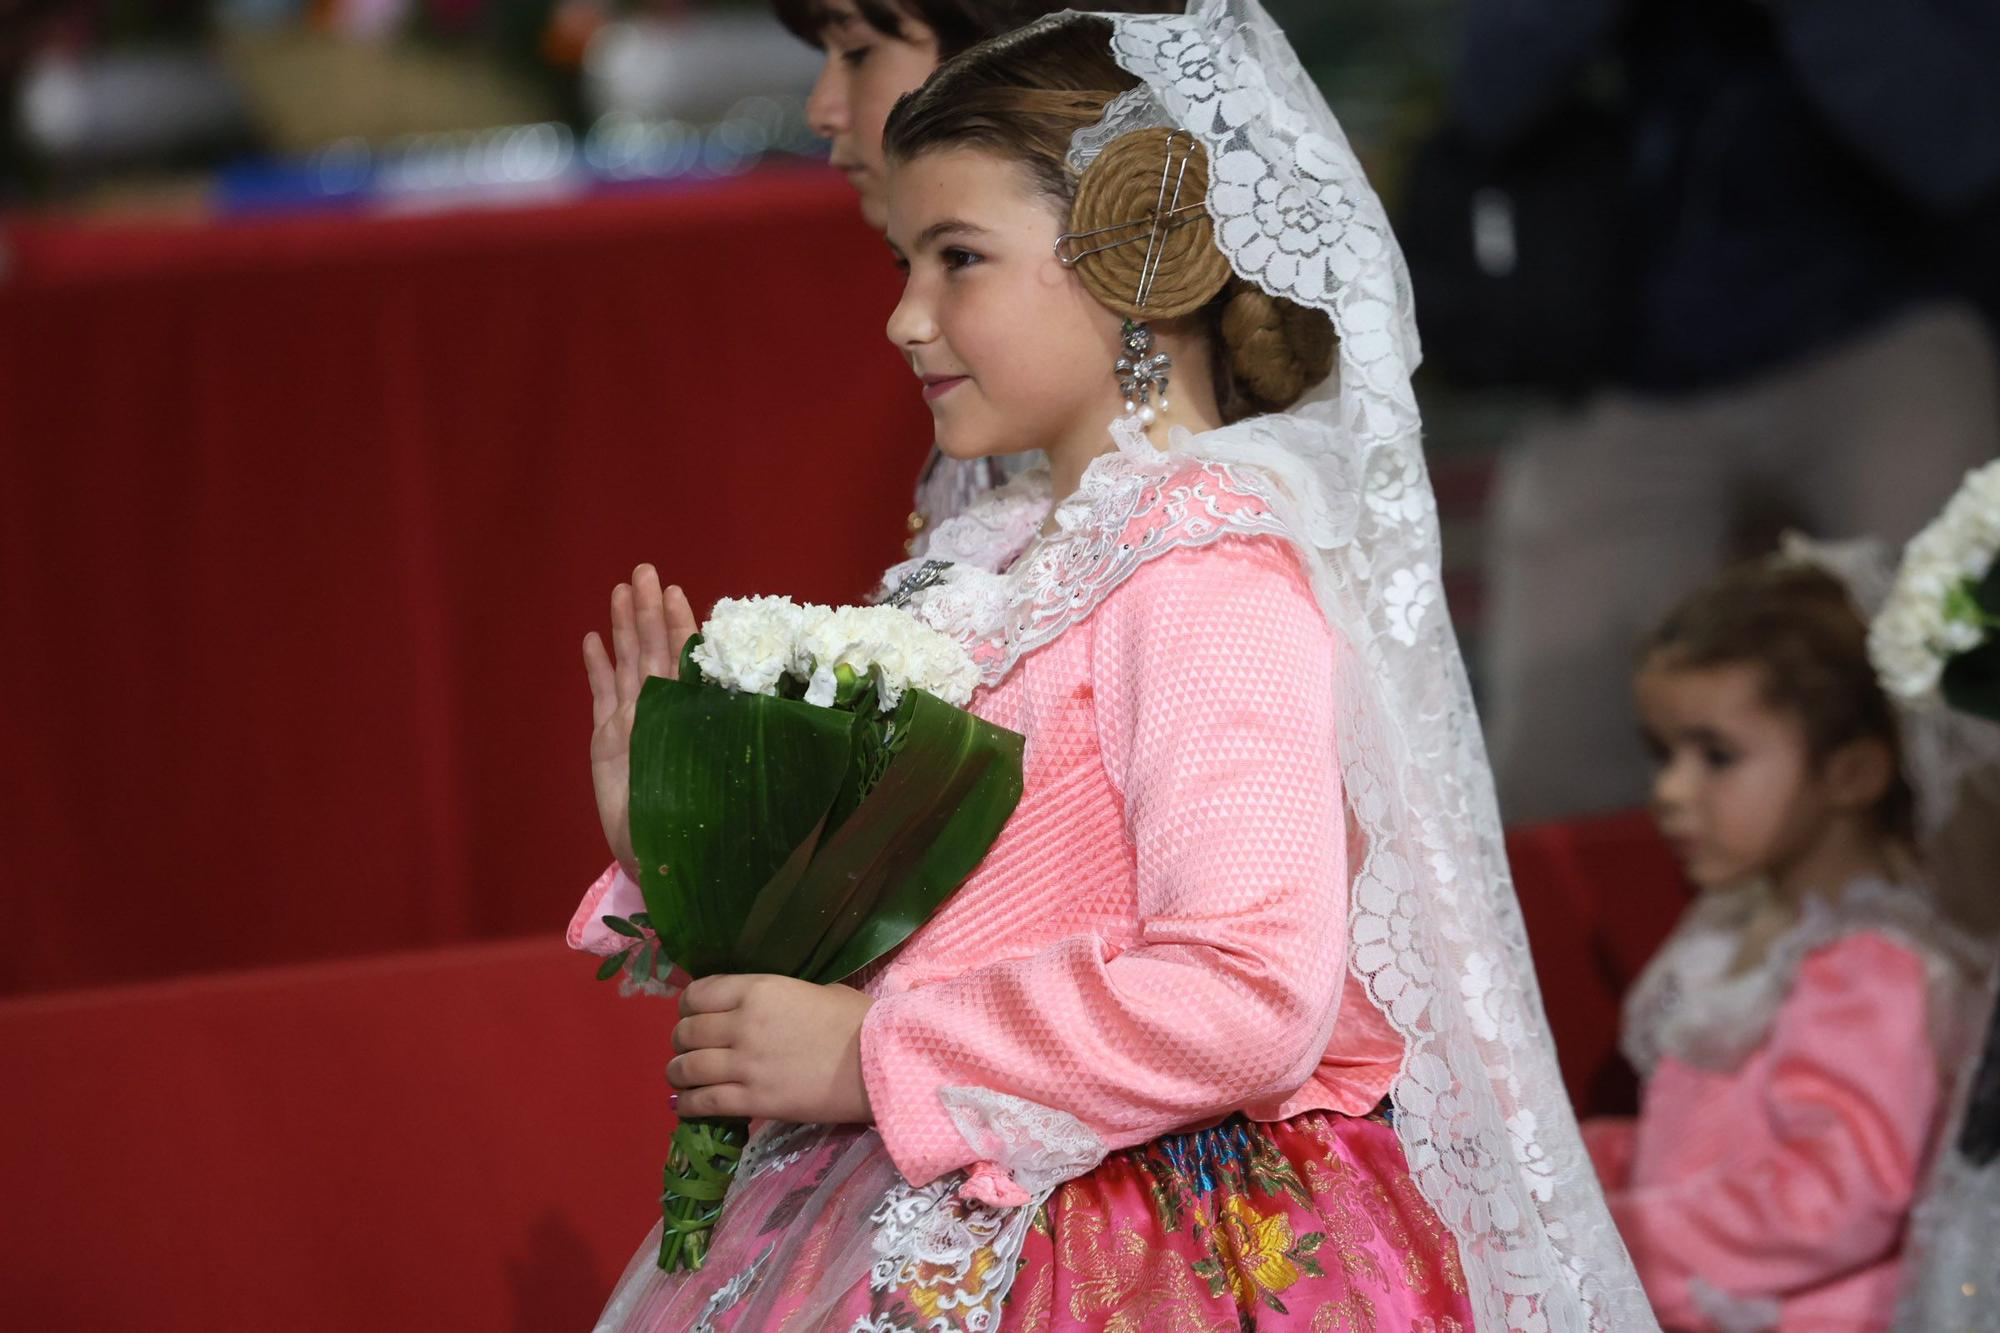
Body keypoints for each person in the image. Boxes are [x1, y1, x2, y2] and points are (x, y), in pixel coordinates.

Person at [573, 3, 1653, 1328]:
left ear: (1130, 260)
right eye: (908, 262)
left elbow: (1252, 989)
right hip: (939, 1191)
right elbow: (914, 908)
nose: (907, 320)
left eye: (957, 258)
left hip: (1138, 1248)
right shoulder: (998, 554)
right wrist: (690, 852)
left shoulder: (1206, 578)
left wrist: (878, 1055)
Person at [1450, 0, 2000, 823]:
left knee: (1963, 677)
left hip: (1882, 325)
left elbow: (1959, 145)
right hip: (1630, 363)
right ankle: (1607, 945)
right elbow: (1489, 89)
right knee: (1560, 741)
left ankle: (1957, 924)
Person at [1585, 550, 1992, 1330]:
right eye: (1663, 754)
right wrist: (1591, 1160)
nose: (1670, 791)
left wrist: (1619, 1232)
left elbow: (1838, 1197)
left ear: (1853, 773)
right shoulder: (1739, 929)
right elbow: (1715, 1137)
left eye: (1716, 755)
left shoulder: (1872, 967)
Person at [779, 0, 1186, 553]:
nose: (819, 111)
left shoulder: (1193, 554)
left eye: (858, 52)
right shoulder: (1020, 502)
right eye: (905, 265)